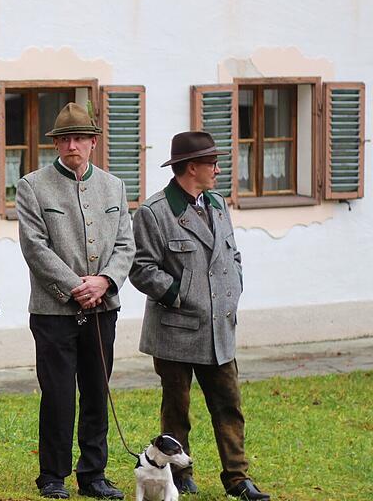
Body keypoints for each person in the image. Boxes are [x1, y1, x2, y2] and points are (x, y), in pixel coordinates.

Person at [129, 131, 270, 500]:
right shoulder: (154, 212)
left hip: (219, 329)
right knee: (177, 408)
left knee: (229, 405)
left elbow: (232, 255)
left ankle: (238, 479)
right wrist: (180, 295)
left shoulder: (218, 204)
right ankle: (181, 474)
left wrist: (234, 289)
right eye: (212, 163)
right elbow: (141, 269)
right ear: (191, 167)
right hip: (175, 328)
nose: (218, 169)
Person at [15, 102, 134, 500]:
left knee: (97, 392)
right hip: (53, 312)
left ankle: (93, 474)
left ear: (93, 143)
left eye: (80, 138)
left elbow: (125, 245)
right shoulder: (33, 186)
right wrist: (74, 286)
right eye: (64, 139)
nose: (72, 145)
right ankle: (52, 475)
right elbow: (35, 247)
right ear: (55, 145)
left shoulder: (114, 186)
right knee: (59, 395)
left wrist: (104, 282)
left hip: (103, 310)